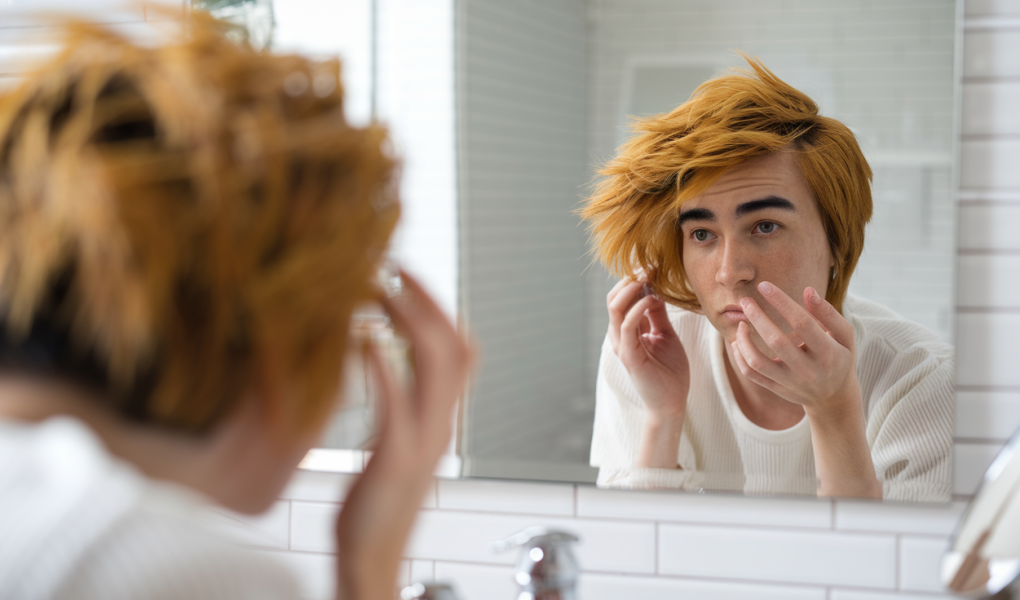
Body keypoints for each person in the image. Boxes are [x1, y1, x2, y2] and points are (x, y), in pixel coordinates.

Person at [0, 15, 473, 600]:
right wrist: (370, 569)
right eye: (342, 334)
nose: (337, 392)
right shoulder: (169, 573)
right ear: (277, 335)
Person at [581, 57, 954, 502]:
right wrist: (661, 416)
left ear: (837, 240)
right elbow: (633, 543)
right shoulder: (648, 351)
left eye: (764, 226)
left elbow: (887, 550)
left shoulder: (922, 379)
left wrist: (834, 410)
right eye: (702, 234)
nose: (729, 272)